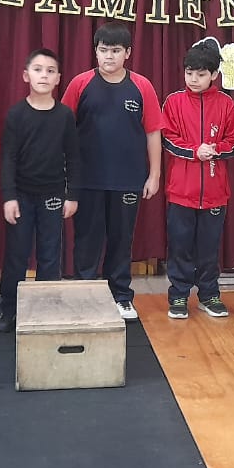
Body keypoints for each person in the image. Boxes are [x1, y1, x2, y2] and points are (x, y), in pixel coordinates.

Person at [62, 22, 163, 320]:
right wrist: (65, 174)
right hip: (87, 179)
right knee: (87, 240)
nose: (109, 56)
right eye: (103, 50)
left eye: (116, 51)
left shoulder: (142, 86)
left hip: (128, 179)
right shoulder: (80, 83)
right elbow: (63, 129)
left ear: (128, 53)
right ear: (95, 51)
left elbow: (153, 132)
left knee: (121, 240)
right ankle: (85, 295)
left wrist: (154, 174)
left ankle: (120, 296)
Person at [0, 48, 81, 334]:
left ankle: (47, 308)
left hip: (53, 195)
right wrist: (9, 197)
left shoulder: (64, 115)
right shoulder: (16, 114)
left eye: (50, 71)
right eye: (38, 69)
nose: (44, 75)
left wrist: (72, 195)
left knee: (50, 255)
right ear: (26, 75)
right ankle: (10, 309)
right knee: (16, 255)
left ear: (58, 78)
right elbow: (8, 158)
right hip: (21, 195)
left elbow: (73, 157)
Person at [161, 44, 234, 319]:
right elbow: (167, 138)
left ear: (214, 74)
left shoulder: (226, 104)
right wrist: (194, 151)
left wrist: (215, 149)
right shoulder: (173, 102)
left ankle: (209, 295)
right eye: (189, 73)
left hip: (215, 192)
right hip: (180, 191)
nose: (194, 79)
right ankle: (179, 295)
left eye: (201, 74)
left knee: (209, 248)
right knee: (180, 246)